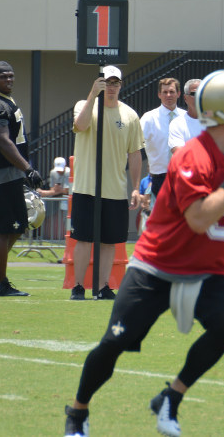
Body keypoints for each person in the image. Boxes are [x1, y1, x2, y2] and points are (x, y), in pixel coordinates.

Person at [62, 69, 224, 437]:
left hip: (207, 266)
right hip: (157, 265)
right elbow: (197, 218)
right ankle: (78, 412)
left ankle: (170, 398)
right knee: (115, 341)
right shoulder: (194, 156)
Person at [69, 65, 144, 301]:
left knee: (110, 241)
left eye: (115, 83)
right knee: (83, 238)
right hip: (86, 186)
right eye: (107, 82)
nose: (111, 87)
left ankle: (102, 287)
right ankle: (78, 286)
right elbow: (80, 126)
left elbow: (134, 153)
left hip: (115, 188)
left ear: (121, 85)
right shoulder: (85, 105)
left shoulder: (130, 115)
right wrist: (93, 94)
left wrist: (135, 187)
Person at [0, 61, 43, 297]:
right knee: (4, 228)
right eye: (3, 77)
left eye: (11, 76)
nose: (9, 80)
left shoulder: (4, 101)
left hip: (8, 173)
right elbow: (2, 140)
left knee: (19, 224)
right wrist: (27, 168)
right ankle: (0, 284)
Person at [140, 78, 185, 198]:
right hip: (160, 177)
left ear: (178, 94)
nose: (168, 95)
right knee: (163, 217)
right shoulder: (149, 118)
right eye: (165, 92)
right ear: (159, 94)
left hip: (184, 176)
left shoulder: (186, 117)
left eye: (172, 91)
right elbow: (135, 144)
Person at [168, 79, 204, 156]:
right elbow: (180, 154)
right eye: (194, 93)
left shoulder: (216, 122)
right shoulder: (177, 124)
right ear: (185, 98)